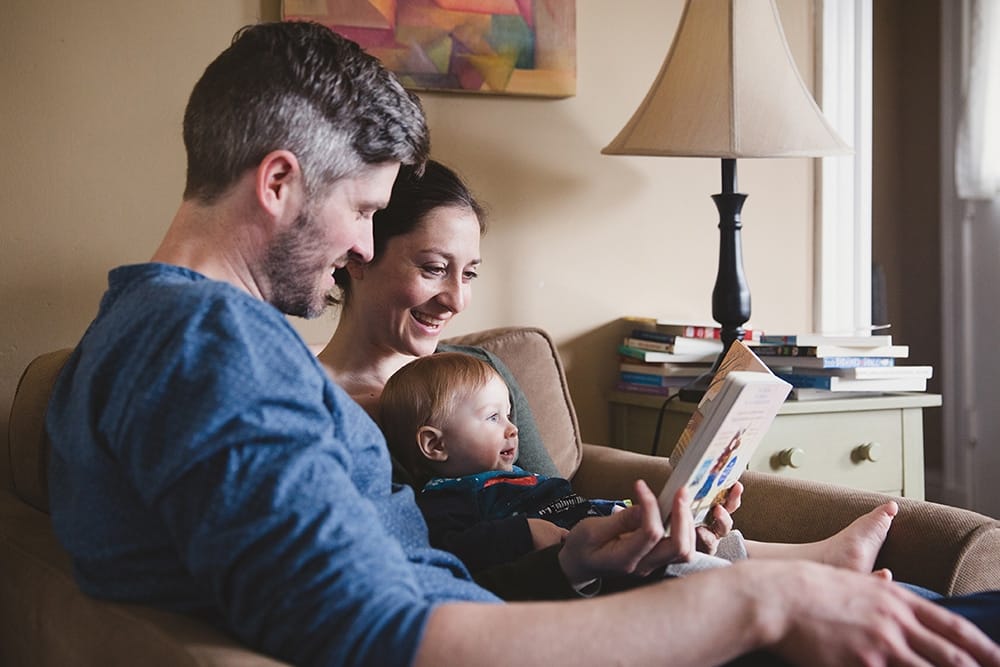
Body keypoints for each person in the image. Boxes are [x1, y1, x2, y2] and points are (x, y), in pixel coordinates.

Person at [43, 20, 1000, 667]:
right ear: (280, 180)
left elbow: (391, 574)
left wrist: (579, 555)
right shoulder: (205, 346)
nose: (363, 248)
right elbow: (374, 629)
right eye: (366, 211)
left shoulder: (152, 329)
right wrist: (757, 604)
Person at [381, 351, 904, 580]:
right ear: (433, 446)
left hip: (609, 523)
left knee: (696, 524)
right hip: (597, 560)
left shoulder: (520, 477)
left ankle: (817, 558)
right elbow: (452, 555)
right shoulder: (446, 498)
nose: (512, 429)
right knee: (693, 568)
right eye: (493, 418)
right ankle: (809, 577)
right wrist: (527, 533)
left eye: (510, 414)